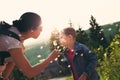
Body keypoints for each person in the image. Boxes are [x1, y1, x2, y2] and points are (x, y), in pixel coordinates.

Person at [0, 12, 60, 80]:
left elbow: (13, 59)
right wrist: (51, 58)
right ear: (32, 29)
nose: (42, 31)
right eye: (40, 28)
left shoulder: (16, 35)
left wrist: (5, 77)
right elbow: (29, 72)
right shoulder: (13, 41)